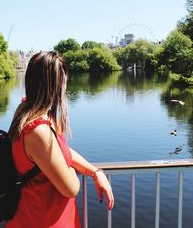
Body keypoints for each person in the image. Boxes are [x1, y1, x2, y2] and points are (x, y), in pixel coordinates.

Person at [6, 51, 114, 228]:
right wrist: (69, 169)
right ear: (54, 85)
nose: (65, 87)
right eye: (63, 81)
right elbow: (71, 188)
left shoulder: (26, 112)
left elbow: (59, 152)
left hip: (36, 216)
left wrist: (95, 172)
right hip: (42, 220)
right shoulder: (38, 131)